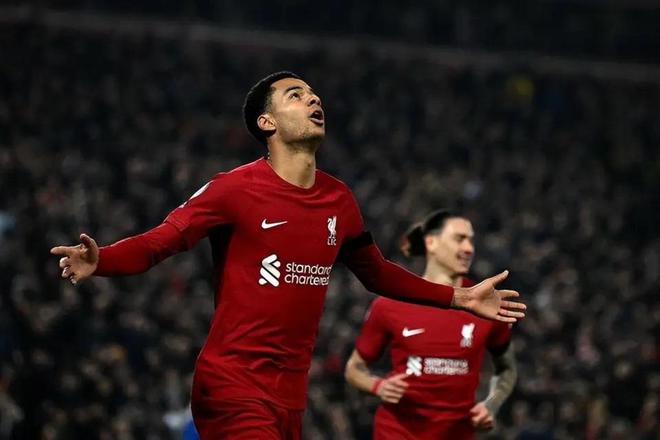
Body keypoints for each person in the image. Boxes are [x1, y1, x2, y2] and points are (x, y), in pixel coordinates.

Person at [51, 72, 525, 439]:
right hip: (232, 385)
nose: (314, 100)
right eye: (296, 96)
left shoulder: (339, 199)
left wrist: (459, 298)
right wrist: (102, 259)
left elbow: (377, 273)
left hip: (291, 398)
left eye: (314, 94)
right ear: (268, 123)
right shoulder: (233, 189)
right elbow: (162, 240)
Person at [345, 209, 518, 439]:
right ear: (431, 242)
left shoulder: (485, 305)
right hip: (398, 433)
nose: (469, 248)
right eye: (459, 239)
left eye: (471, 240)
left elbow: (507, 368)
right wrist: (378, 386)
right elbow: (354, 369)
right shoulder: (390, 304)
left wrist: (491, 405)